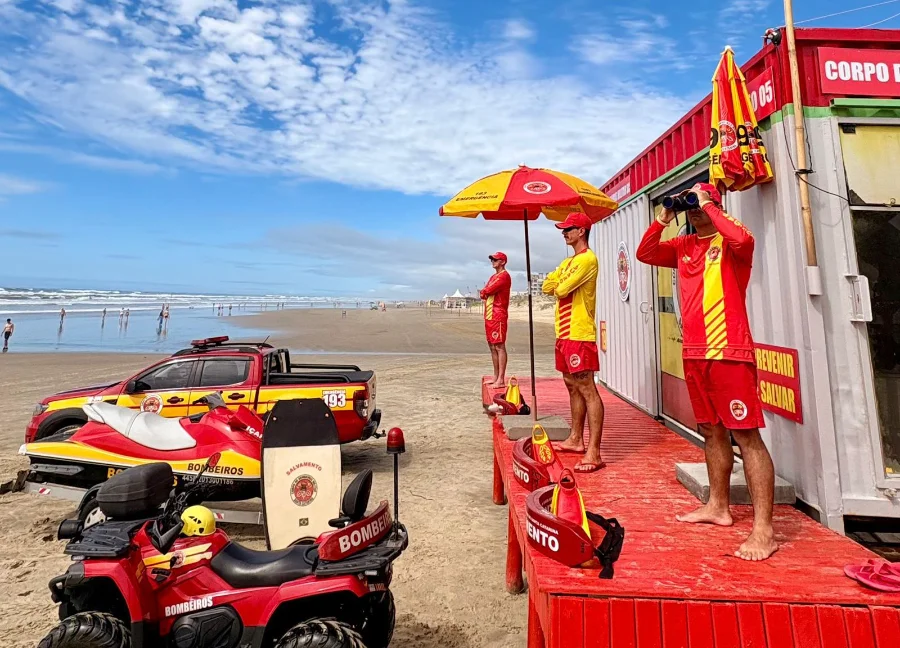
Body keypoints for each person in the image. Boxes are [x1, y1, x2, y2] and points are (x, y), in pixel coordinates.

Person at [635, 182, 777, 562]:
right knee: (711, 431)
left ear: (716, 204)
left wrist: (709, 205)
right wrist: (665, 215)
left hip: (729, 351)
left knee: (746, 436)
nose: (694, 208)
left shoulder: (731, 243)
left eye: (699, 202)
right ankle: (718, 506)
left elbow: (743, 239)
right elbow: (645, 253)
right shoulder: (683, 246)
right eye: (690, 203)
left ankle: (764, 529)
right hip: (694, 353)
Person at [542, 212, 605, 473]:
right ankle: (576, 438)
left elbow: (560, 289)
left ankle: (594, 451)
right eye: (563, 229)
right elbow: (547, 286)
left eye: (569, 229)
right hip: (564, 332)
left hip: (579, 333)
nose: (564, 233)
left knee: (587, 387)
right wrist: (558, 282)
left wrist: (559, 283)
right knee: (571, 384)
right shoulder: (568, 261)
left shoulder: (587, 259)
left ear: (582, 231)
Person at [480, 252, 512, 388]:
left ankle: (501, 379)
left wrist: (485, 292)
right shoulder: (493, 276)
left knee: (499, 346)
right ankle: (496, 376)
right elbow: (484, 292)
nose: (492, 261)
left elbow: (487, 290)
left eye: (495, 259)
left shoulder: (504, 276)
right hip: (489, 314)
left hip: (498, 315)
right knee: (492, 346)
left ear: (502, 262)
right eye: (492, 259)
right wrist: (484, 292)